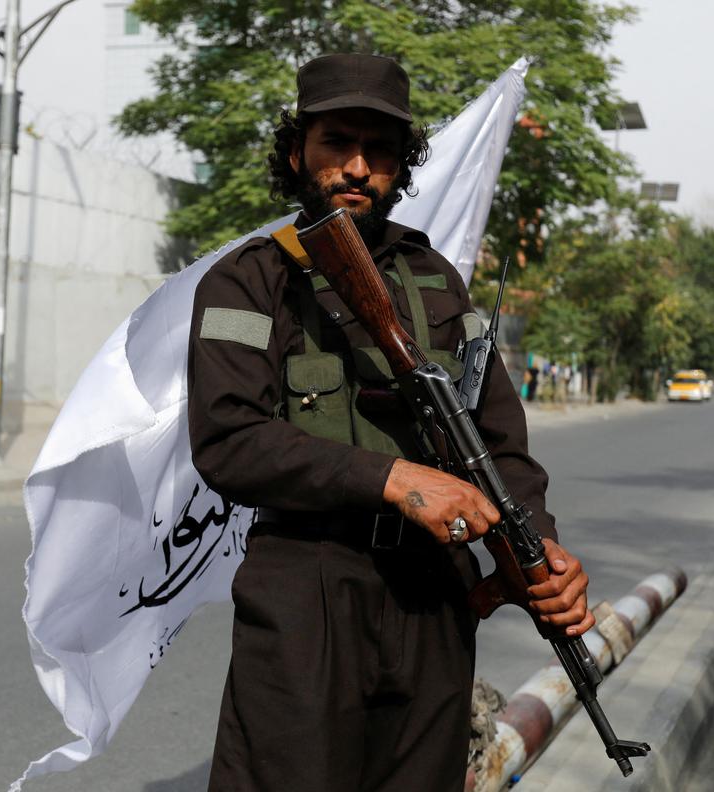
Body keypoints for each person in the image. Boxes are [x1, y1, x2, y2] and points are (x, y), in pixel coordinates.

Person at [186, 53, 593, 792]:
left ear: (402, 165)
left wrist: (538, 551)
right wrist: (395, 479)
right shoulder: (252, 278)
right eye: (336, 142)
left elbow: (498, 444)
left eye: (380, 151)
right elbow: (229, 438)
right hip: (308, 589)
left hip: (432, 594)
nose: (356, 167)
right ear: (295, 152)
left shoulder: (436, 280)